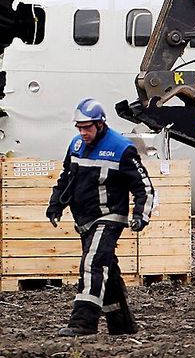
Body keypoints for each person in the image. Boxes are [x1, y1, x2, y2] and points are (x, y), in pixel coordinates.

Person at [46, 98, 156, 337]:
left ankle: (83, 322)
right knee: (107, 269)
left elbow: (144, 188)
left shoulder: (121, 148)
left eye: (87, 128)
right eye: (79, 128)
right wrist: (55, 205)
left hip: (109, 217)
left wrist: (140, 216)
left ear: (100, 124)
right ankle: (121, 324)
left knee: (93, 264)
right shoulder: (75, 145)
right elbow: (66, 178)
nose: (83, 133)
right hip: (84, 220)